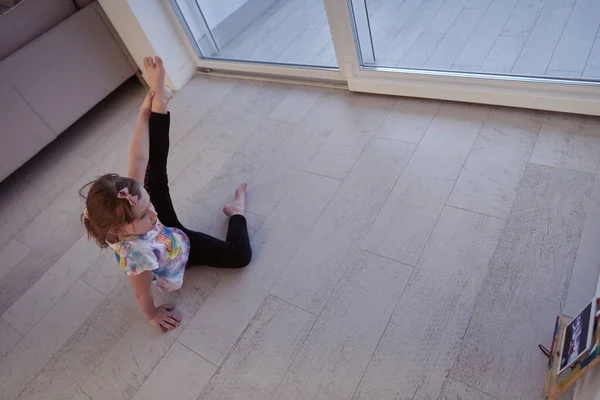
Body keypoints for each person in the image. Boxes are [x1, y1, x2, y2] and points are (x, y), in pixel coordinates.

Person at [80, 56, 252, 333]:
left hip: (163, 234)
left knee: (153, 169)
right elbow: (141, 294)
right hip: (180, 250)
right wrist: (151, 315)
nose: (154, 212)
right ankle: (236, 212)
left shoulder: (129, 205)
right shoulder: (138, 257)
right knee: (241, 256)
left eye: (149, 206)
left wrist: (143, 115)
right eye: (146, 214)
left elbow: (138, 157)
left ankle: (161, 101)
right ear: (119, 229)